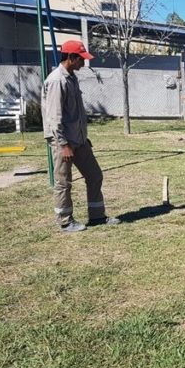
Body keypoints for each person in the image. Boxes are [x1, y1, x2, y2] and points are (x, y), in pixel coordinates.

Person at [42, 40, 120, 232]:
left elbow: (75, 113)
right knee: (63, 182)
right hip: (63, 142)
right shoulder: (57, 81)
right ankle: (65, 221)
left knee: (95, 175)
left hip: (79, 140)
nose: (84, 63)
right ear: (71, 57)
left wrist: (83, 137)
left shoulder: (72, 78)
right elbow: (54, 118)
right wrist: (63, 145)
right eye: (81, 59)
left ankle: (97, 216)